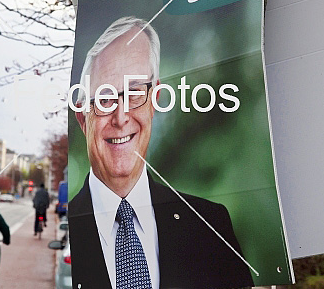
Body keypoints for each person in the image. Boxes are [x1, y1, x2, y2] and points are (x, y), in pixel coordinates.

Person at [69, 17, 254, 289]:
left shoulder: (211, 225)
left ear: (154, 100)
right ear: (83, 119)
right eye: (105, 98)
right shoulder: (63, 232)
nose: (121, 117)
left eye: (134, 93)